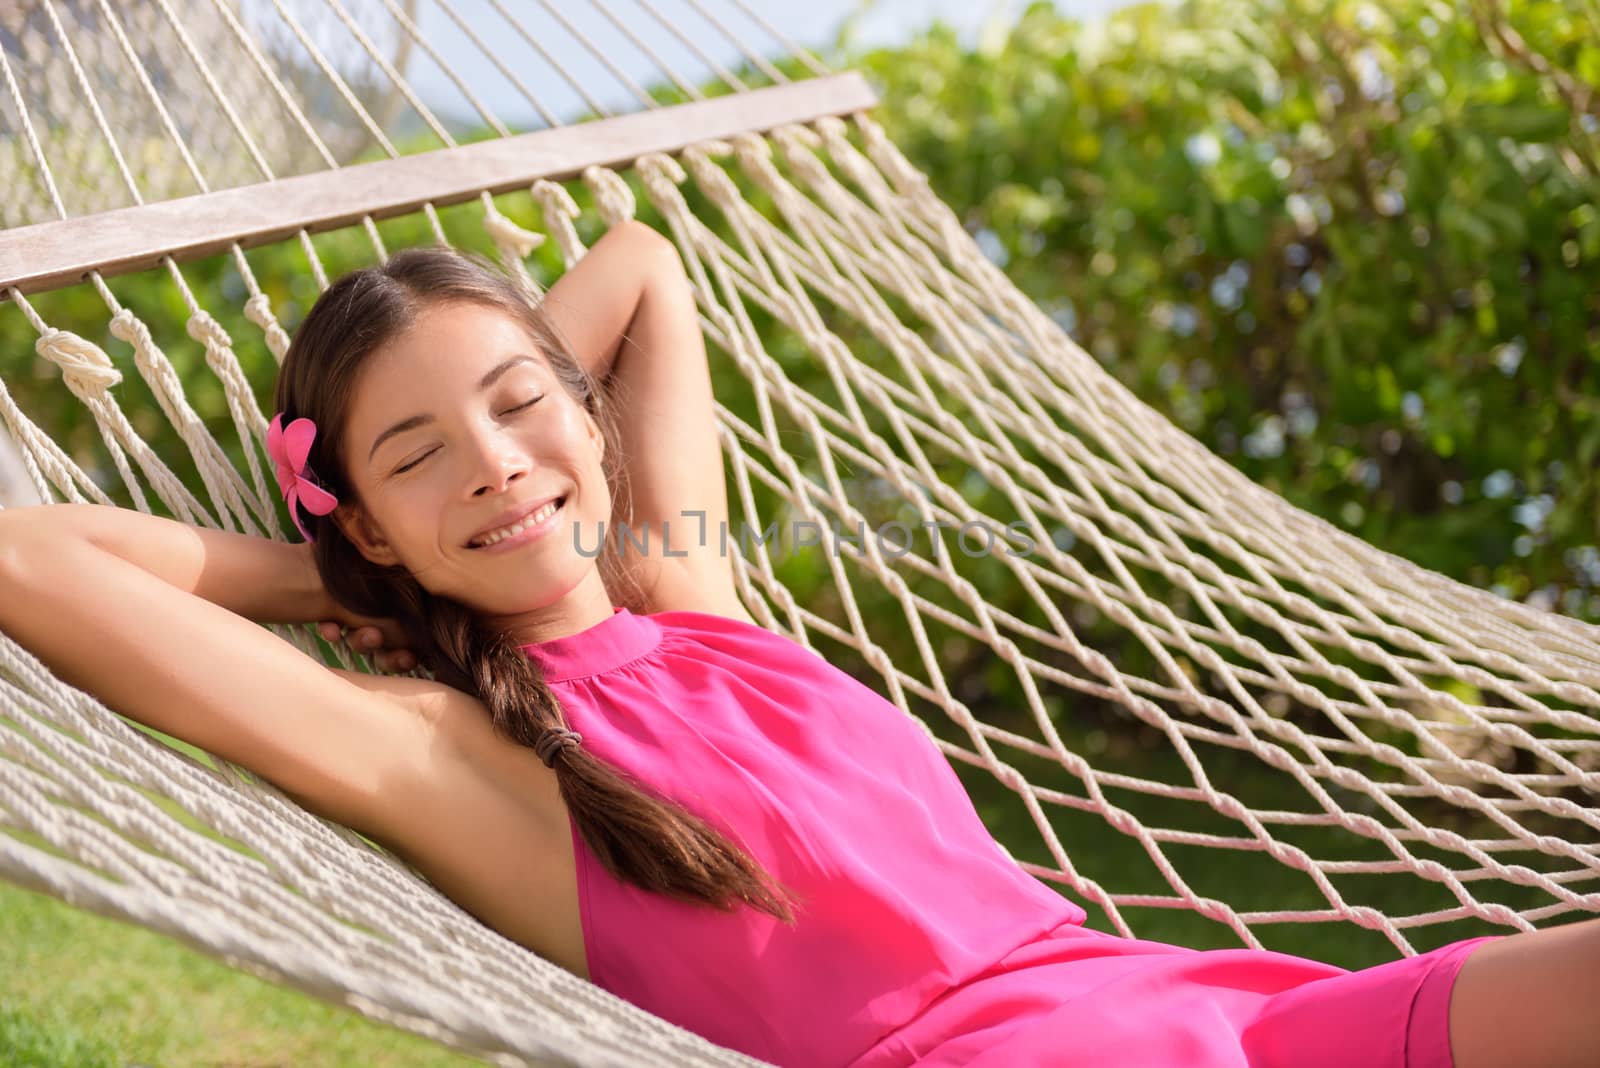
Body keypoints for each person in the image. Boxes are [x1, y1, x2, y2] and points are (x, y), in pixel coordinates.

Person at [0, 221, 1593, 1068]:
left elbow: (642, 266)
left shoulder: (695, 599)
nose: (488, 462)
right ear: (351, 513)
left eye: (518, 404)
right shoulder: (452, 754)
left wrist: (449, 484)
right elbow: (35, 554)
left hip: (1230, 1007)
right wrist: (358, 576)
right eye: (414, 454)